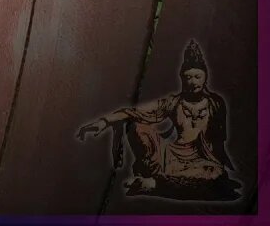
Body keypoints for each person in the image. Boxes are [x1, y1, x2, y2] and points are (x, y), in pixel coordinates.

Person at [76, 39, 240, 201]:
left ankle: (152, 183)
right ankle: (160, 181)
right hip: (169, 156)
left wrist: (221, 167)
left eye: (197, 76)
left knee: (213, 173)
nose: (192, 82)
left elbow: (219, 140)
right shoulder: (173, 102)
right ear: (182, 78)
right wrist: (104, 122)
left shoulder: (216, 103)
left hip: (200, 160)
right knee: (136, 125)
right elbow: (132, 112)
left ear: (205, 76)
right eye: (187, 77)